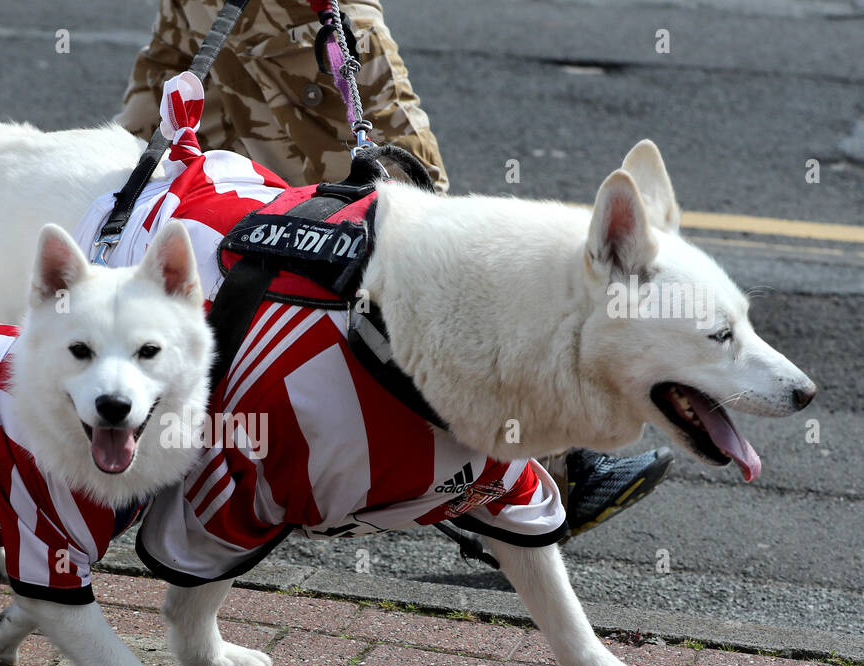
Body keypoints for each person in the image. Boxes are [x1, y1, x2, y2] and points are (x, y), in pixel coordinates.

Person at [116, 0, 673, 538]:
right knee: (415, 238)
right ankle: (532, 482)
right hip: (293, 15)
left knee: (153, 181)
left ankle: (84, 436)